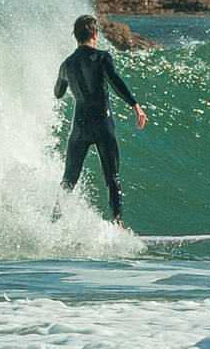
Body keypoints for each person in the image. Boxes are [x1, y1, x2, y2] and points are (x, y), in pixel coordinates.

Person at [54, 14, 147, 226]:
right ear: (95, 34)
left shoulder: (66, 65)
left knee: (68, 180)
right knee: (112, 178)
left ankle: (55, 221)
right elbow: (115, 81)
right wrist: (134, 105)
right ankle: (118, 225)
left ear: (75, 36)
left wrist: (68, 80)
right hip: (103, 125)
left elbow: (58, 92)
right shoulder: (102, 57)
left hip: (79, 127)